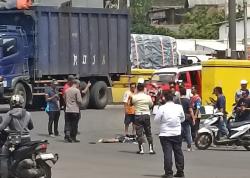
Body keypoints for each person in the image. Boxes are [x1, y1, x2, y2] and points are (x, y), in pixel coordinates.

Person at [0, 95, 34, 178]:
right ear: (22, 102)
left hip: (14, 140)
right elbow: (31, 127)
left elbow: (2, 127)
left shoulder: (10, 114)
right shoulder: (27, 113)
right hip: (27, 139)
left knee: (4, 156)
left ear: (11, 103)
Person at [154, 90, 185, 178]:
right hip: (177, 133)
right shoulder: (179, 107)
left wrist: (163, 122)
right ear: (173, 98)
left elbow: (156, 120)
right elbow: (182, 118)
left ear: (164, 98)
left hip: (165, 133)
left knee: (167, 153)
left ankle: (168, 173)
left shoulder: (162, 108)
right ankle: (180, 171)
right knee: (178, 152)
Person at [131, 79, 155, 154]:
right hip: (146, 114)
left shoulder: (135, 97)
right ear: (144, 88)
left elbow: (131, 104)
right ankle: (151, 149)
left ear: (137, 88)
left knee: (139, 133)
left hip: (138, 115)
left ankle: (141, 149)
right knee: (148, 132)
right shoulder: (147, 97)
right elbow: (151, 105)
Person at [178, 87, 195, 151]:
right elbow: (190, 110)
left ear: (180, 93)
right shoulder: (188, 100)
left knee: (179, 132)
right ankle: (189, 146)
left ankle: (178, 145)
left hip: (178, 118)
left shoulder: (177, 100)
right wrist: (193, 118)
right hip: (186, 118)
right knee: (188, 132)